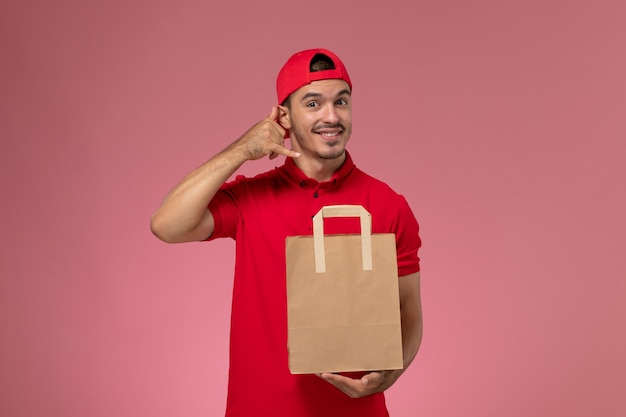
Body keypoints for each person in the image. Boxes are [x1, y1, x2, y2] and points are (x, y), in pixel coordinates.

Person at [150, 48, 423, 417]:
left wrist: (391, 373)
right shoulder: (250, 198)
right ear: (284, 117)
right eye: (313, 103)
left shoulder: (389, 205)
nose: (331, 116)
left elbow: (408, 311)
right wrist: (242, 149)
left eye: (341, 101)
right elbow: (167, 224)